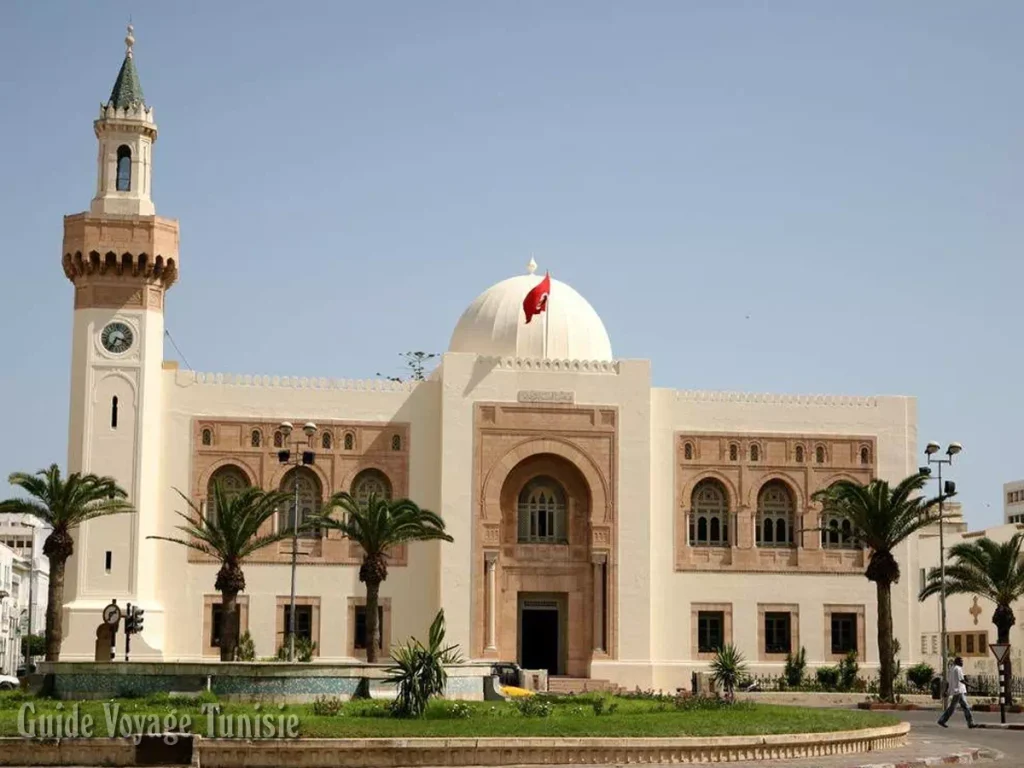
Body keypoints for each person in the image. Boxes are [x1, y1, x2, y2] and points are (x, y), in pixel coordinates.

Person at [938, 656, 975, 728]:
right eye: (961, 661)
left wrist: (947, 691)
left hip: (956, 691)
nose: (962, 663)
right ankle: (942, 720)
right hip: (959, 691)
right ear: (957, 662)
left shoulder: (951, 669)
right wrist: (971, 685)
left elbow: (948, 682)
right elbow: (961, 680)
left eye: (962, 661)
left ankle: (970, 723)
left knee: (964, 706)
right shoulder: (958, 669)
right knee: (955, 707)